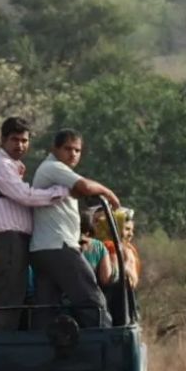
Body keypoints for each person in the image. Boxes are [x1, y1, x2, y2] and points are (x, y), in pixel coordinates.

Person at [0, 117, 72, 332]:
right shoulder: (0, 166)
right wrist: (61, 192)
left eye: (24, 140)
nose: (19, 145)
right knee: (7, 299)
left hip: (18, 241)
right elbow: (25, 196)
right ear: (2, 140)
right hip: (8, 240)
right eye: (14, 139)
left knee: (18, 296)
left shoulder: (13, 167)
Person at [29, 129, 120, 329]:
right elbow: (86, 187)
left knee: (46, 308)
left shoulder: (58, 172)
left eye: (77, 150)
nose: (73, 154)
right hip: (58, 246)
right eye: (68, 149)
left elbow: (80, 189)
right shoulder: (53, 167)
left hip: (43, 249)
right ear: (55, 149)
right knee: (92, 300)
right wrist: (109, 192)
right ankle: (107, 346)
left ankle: (40, 353)